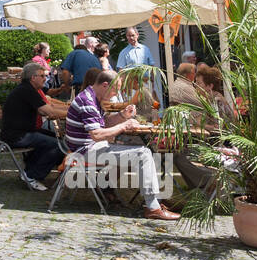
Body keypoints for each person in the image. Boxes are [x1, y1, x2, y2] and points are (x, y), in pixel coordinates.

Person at [64, 68, 180, 220]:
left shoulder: (92, 97)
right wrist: (124, 126)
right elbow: (97, 134)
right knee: (143, 153)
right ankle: (153, 207)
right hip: (84, 152)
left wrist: (121, 116)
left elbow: (103, 124)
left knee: (140, 150)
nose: (115, 95)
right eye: (115, 90)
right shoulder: (88, 101)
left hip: (89, 148)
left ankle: (153, 201)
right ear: (105, 85)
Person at [0, 62, 68, 191]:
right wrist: (73, 113)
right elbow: (49, 111)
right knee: (57, 145)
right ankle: (31, 175)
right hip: (16, 136)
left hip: (19, 132)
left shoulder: (27, 89)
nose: (45, 78)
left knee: (55, 138)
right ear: (33, 78)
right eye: (42, 76)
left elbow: (46, 110)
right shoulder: (27, 90)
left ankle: (30, 171)